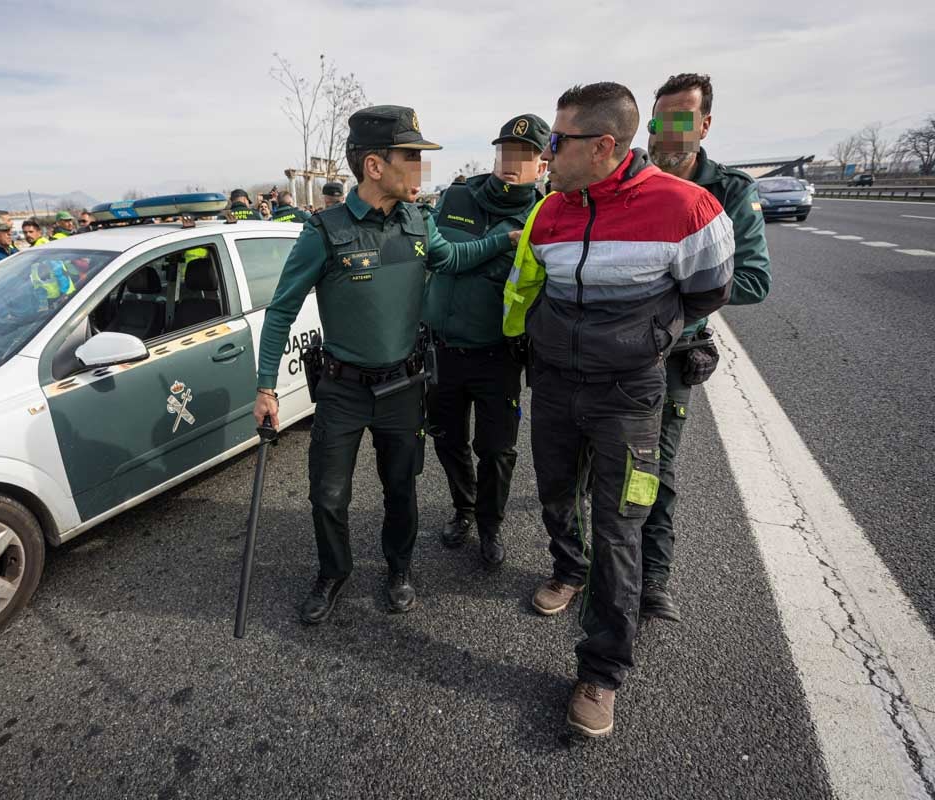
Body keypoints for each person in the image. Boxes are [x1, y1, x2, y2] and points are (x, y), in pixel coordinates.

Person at [515, 82, 734, 738]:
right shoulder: (551, 209)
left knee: (619, 528)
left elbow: (706, 293)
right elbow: (537, 282)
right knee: (556, 493)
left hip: (629, 397)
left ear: (605, 145)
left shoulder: (688, 208)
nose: (546, 153)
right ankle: (567, 568)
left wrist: (645, 341)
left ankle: (601, 670)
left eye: (557, 142)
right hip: (553, 386)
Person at [252, 105, 523, 625]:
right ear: (375, 166)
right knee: (328, 495)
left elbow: (453, 260)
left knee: (401, 489)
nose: (421, 170)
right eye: (411, 157)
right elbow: (282, 309)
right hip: (342, 390)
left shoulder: (419, 221)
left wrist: (502, 241)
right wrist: (266, 388)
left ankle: (398, 569)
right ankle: (334, 572)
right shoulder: (324, 231)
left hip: (404, 386)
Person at [423, 113, 550, 570]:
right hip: (442, 351)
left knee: (496, 450)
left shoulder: (544, 213)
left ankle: (491, 524)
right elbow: (438, 259)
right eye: (504, 151)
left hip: (498, 355)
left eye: (525, 154)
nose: (511, 161)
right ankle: (465, 508)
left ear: (542, 165)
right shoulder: (457, 195)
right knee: (446, 439)